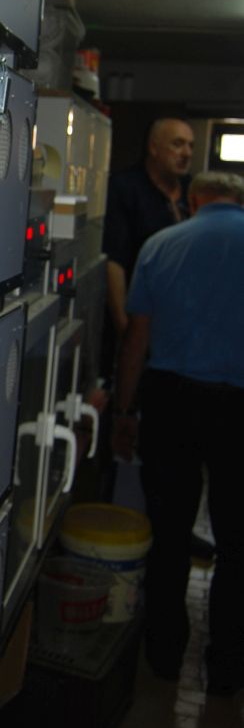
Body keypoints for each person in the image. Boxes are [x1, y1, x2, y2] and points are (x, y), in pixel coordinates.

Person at [112, 171, 244, 695]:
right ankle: (228, 665)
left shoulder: (161, 245)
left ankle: (165, 652)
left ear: (194, 201)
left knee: (169, 531)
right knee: (237, 540)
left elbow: (136, 339)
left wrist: (125, 411)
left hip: (173, 402)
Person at [102, 117, 195, 352]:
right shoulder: (125, 187)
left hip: (182, 321)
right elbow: (114, 261)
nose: (186, 153)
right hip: (139, 314)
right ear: (154, 147)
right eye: (178, 144)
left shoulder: (193, 190)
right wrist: (125, 330)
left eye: (191, 146)